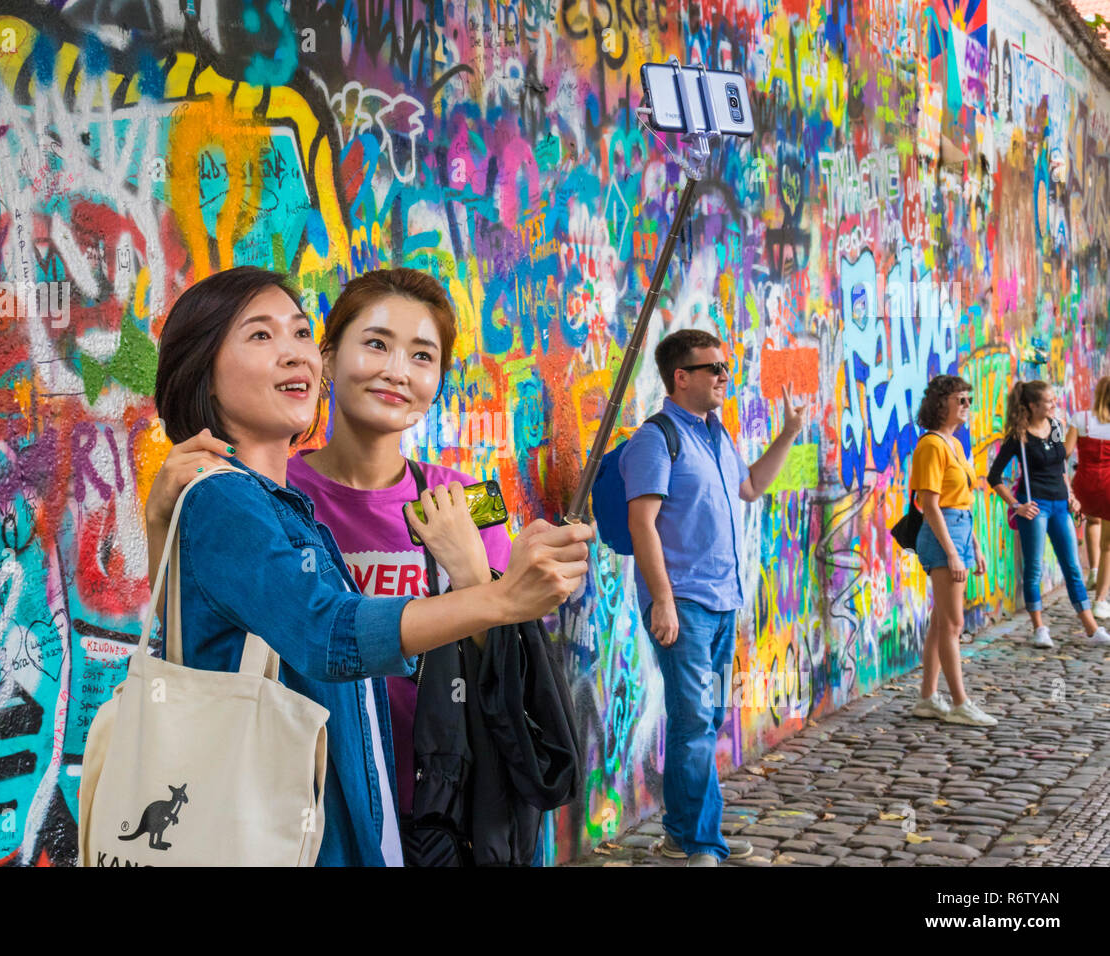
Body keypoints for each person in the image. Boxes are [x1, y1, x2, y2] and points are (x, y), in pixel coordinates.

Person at [146, 266, 593, 866]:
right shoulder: (279, 494)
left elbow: (505, 659)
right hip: (310, 792)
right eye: (377, 344)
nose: (397, 371)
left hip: (444, 788)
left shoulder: (468, 497)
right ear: (330, 358)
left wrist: (471, 572)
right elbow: (217, 624)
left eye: (422, 356)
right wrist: (158, 524)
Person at [619, 328, 807, 867]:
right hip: (684, 604)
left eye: (727, 368)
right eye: (715, 369)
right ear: (681, 377)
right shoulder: (656, 439)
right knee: (695, 720)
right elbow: (642, 523)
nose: (726, 377)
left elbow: (749, 487)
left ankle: (683, 833)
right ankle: (702, 843)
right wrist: (662, 600)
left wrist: (789, 434)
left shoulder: (715, 433)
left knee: (705, 715)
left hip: (724, 602)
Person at [986, 380, 1110, 647]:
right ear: (1032, 405)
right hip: (1034, 507)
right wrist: (1015, 505)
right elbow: (994, 476)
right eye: (1049, 401)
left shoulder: (1055, 428)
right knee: (1034, 569)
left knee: (1073, 568)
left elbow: (1060, 466)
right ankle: (1039, 628)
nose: (1055, 404)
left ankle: (1092, 629)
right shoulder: (1019, 436)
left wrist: (1071, 496)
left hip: (1059, 504)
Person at [906, 375, 996, 727]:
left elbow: (963, 499)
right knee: (953, 623)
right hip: (942, 533)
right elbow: (929, 504)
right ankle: (960, 702)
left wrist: (972, 544)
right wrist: (953, 553)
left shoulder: (956, 444)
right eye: (961, 400)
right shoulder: (931, 445)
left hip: (960, 529)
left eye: (968, 400)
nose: (967, 407)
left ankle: (927, 698)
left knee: (940, 621)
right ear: (940, 403)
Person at [1066, 375, 1110, 618]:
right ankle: (1101, 601)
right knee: (1109, 546)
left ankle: (1092, 570)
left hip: (1084, 484)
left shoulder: (1081, 419)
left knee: (1091, 521)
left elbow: (1066, 451)